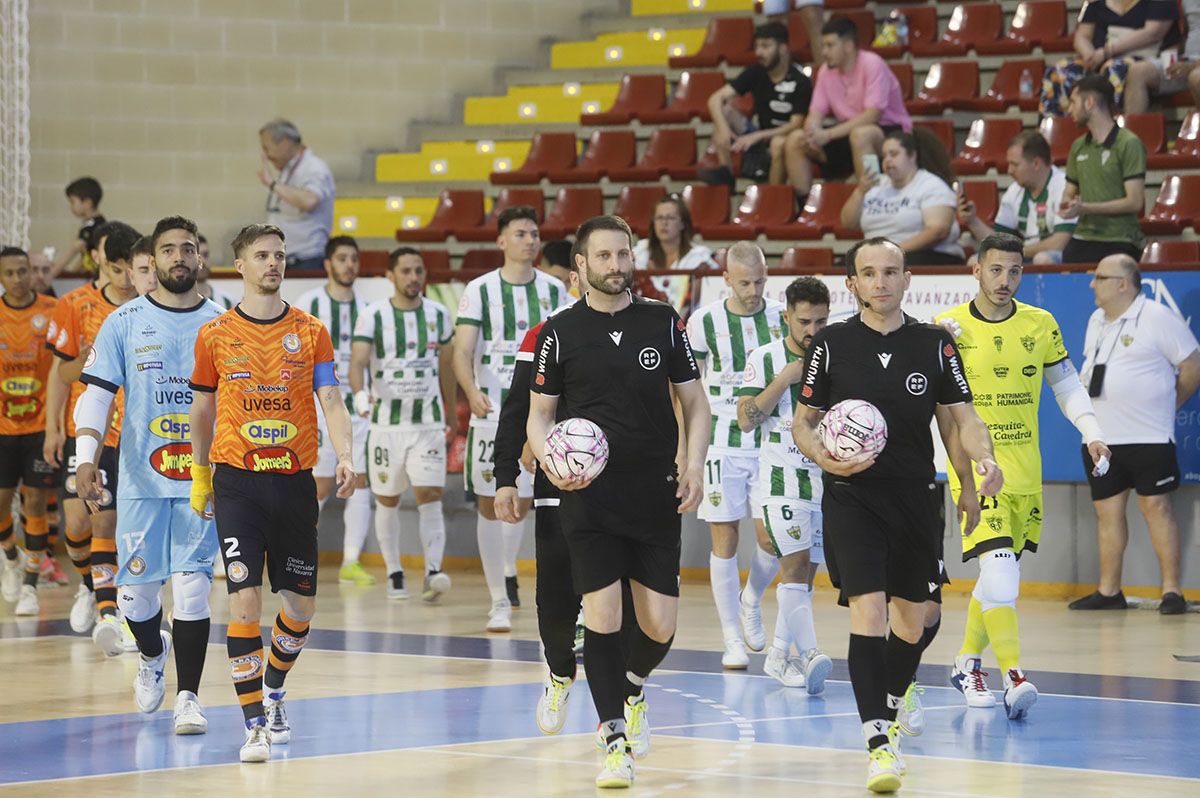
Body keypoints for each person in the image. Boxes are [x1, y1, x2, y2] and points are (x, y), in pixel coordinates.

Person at [792, 237, 1002, 793]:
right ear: (852, 284)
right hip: (852, 496)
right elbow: (803, 423)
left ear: (908, 278)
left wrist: (980, 467)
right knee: (870, 609)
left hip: (914, 496)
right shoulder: (831, 344)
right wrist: (826, 460)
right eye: (869, 273)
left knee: (920, 621)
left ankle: (892, 693)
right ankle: (878, 743)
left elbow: (962, 419)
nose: (881, 282)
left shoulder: (934, 344)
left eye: (891, 271)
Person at [527, 214, 710, 789]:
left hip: (654, 491)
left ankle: (631, 689)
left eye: (623, 255)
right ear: (579, 265)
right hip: (589, 496)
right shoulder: (558, 331)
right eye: (603, 257)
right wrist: (552, 461)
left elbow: (695, 404)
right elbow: (539, 416)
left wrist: (694, 460)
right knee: (602, 616)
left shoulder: (662, 320)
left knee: (658, 626)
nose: (616, 266)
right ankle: (613, 739)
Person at [189, 223, 356, 763]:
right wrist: (199, 473)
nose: (273, 264)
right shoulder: (214, 334)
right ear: (239, 265)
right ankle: (254, 722)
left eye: (280, 256)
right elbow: (202, 409)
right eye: (261, 256)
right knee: (244, 599)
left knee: (300, 609)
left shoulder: (311, 332)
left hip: (293, 483)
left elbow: (329, 397)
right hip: (236, 481)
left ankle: (276, 686)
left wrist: (346, 453)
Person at [934, 233, 1110, 721]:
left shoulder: (1041, 323)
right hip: (974, 471)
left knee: (998, 579)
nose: (1005, 280)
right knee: (1002, 578)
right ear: (976, 270)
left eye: (1014, 271)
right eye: (995, 270)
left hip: (1025, 473)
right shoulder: (948, 330)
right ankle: (1014, 676)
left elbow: (1067, 386)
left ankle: (966, 662)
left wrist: (1091, 432)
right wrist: (935, 346)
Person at [73, 215, 223, 734]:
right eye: (168, 250)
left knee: (192, 590)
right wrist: (85, 458)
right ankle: (151, 653)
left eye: (188, 248)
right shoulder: (125, 321)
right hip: (139, 481)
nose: (179, 256)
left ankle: (189, 696)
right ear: (152, 262)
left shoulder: (223, 322)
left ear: (199, 258)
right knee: (136, 598)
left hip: (201, 482)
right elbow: (95, 394)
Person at [453, 206, 570, 631]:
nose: (530, 240)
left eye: (535, 233)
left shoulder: (556, 291)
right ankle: (498, 597)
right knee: (492, 502)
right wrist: (471, 392)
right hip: (492, 413)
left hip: (540, 413)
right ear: (501, 241)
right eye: (520, 233)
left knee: (528, 502)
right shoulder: (479, 290)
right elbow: (462, 352)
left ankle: (523, 582)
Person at [1071, 254, 1200, 615]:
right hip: (1101, 439)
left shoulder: (1156, 317)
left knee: (1156, 508)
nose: (1092, 283)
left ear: (1123, 284)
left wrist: (1169, 404)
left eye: (1100, 277)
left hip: (1148, 435)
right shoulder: (1097, 319)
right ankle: (1109, 591)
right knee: (1107, 513)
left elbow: (1192, 365)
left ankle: (1171, 591)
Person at [685, 242, 786, 669]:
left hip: (768, 440)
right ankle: (731, 639)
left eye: (760, 280)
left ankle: (752, 598)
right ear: (726, 278)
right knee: (724, 539)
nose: (754, 289)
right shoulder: (703, 321)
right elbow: (685, 392)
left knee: (773, 538)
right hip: (721, 442)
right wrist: (684, 449)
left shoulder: (781, 317)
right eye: (744, 282)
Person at [43, 223, 139, 652]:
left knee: (106, 519)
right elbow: (59, 373)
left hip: (131, 436)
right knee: (77, 523)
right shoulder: (75, 305)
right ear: (101, 260)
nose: (124, 278)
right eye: (116, 268)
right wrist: (52, 428)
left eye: (130, 269)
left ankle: (110, 611)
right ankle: (88, 583)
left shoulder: (149, 309)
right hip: (86, 432)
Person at [735, 276, 833, 692]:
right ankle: (810, 654)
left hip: (824, 478)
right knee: (792, 570)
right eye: (805, 321)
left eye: (821, 322)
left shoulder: (835, 355)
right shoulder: (766, 356)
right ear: (787, 317)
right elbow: (744, 418)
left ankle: (778, 656)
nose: (813, 331)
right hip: (780, 478)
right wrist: (785, 379)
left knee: (806, 578)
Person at [350, 247, 456, 601]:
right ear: (390, 276)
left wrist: (452, 413)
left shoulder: (439, 315)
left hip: (427, 422)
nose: (414, 277)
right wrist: (360, 393)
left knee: (430, 494)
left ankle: (433, 571)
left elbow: (446, 369)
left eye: (419, 271)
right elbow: (358, 361)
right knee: (388, 498)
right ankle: (395, 571)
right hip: (385, 426)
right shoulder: (372, 315)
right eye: (406, 271)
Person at [295, 236, 373, 588]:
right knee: (319, 483)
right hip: (316, 406)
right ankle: (296, 553)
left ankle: (351, 562)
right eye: (342, 259)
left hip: (358, 407)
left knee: (360, 479)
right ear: (327, 264)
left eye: (354, 259)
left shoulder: (371, 309)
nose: (349, 265)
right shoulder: (307, 304)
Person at [0, 248, 60, 616]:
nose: (20, 278)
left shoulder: (51, 312)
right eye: (11, 273)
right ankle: (10, 557)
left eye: (24, 271)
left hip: (40, 427)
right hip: (3, 428)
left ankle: (31, 586)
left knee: (36, 503)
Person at [794, 18, 912, 188]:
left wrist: (827, 135)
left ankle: (872, 199)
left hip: (889, 130)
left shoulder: (873, 63)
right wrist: (811, 132)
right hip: (847, 130)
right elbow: (815, 114)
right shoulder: (825, 71)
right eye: (823, 46)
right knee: (795, 140)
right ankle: (804, 207)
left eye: (830, 45)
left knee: (861, 135)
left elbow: (872, 115)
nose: (824, 52)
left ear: (848, 46)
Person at [702, 22, 814, 195]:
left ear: (783, 48)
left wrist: (758, 136)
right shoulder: (756, 71)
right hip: (760, 137)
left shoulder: (800, 80)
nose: (759, 53)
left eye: (766, 46)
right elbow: (714, 99)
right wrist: (724, 130)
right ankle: (727, 174)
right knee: (724, 113)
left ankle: (773, 197)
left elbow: (796, 125)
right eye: (757, 46)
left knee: (778, 143)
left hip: (786, 138)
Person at [841, 130, 964, 266]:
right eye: (884, 156)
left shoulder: (931, 185)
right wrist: (860, 191)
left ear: (912, 156)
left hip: (927, 255)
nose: (887, 160)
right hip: (877, 257)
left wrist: (892, 251)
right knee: (843, 266)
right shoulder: (875, 184)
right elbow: (848, 224)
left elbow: (938, 231)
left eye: (893, 154)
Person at [1059, 74, 1148, 263]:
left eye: (1074, 102)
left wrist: (1085, 208)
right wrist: (1067, 204)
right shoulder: (1078, 146)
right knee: (1067, 261)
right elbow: (1068, 192)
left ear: (1089, 102)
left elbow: (1135, 202)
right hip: (1084, 235)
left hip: (1120, 237)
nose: (1069, 109)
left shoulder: (1129, 143)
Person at [1042, 0, 1180, 117]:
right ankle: (1055, 134)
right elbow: (1081, 36)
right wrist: (1089, 55)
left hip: (1143, 56)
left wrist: (1108, 51)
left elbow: (1153, 33)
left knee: (1115, 69)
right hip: (1099, 57)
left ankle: (1114, 134)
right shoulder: (1094, 2)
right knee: (1059, 71)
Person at [959, 132, 1075, 265]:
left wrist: (1015, 251)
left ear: (1036, 163)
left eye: (1015, 164)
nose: (1009, 171)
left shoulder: (1064, 187)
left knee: (1043, 260)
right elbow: (998, 242)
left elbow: (1059, 243)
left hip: (1063, 256)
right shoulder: (1014, 191)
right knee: (976, 261)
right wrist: (972, 220)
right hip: (1025, 254)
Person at [258, 118, 335, 271]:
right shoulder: (289, 169)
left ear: (285, 143)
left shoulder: (313, 168)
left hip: (306, 262)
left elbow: (310, 201)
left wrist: (273, 184)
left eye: (267, 148)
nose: (266, 156)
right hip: (287, 260)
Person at [1123, 0, 1200, 112]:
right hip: (1189, 60)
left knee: (1196, 77)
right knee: (1137, 72)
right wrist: (1174, 54)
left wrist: (1193, 66)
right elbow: (1187, 31)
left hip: (1194, 67)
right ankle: (1133, 129)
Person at [633, 196, 719, 272]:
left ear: (682, 224)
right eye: (659, 218)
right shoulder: (640, 252)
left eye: (670, 218)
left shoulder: (699, 256)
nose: (664, 223)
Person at [50, 177, 106, 278]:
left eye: (72, 202)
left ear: (87, 203)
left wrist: (51, 274)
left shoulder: (91, 227)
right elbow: (86, 256)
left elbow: (73, 250)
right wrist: (73, 272)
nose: (70, 206)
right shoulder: (94, 223)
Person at [197, 234, 236, 309]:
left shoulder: (227, 302)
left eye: (205, 255)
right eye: (197, 256)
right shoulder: (174, 303)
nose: (202, 261)